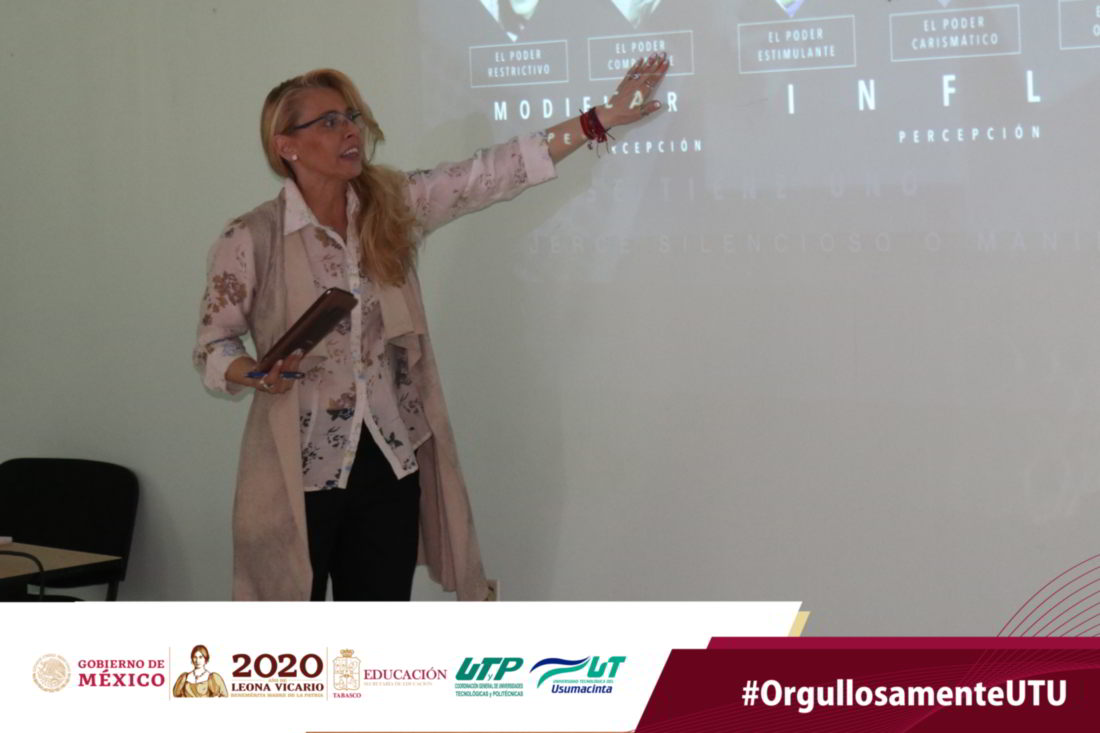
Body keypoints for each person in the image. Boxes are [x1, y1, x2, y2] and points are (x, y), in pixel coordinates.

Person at [194, 54, 670, 602]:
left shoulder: (391, 205)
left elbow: (489, 174)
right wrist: (253, 372)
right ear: (286, 145)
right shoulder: (251, 236)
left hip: (390, 460)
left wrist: (599, 119)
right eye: (328, 121)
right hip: (297, 469)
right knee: (286, 633)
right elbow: (213, 344)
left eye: (352, 117)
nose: (350, 130)